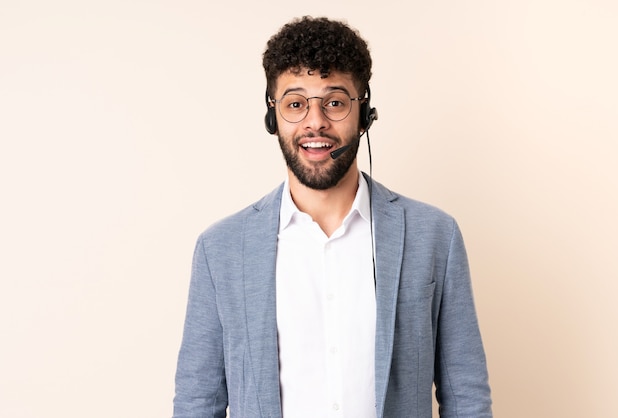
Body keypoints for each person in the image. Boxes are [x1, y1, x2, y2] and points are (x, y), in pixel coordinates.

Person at [173, 16, 492, 418]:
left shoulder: (434, 236)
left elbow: (466, 398)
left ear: (365, 113)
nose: (315, 121)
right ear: (273, 117)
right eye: (295, 104)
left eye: (335, 102)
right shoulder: (219, 250)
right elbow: (197, 404)